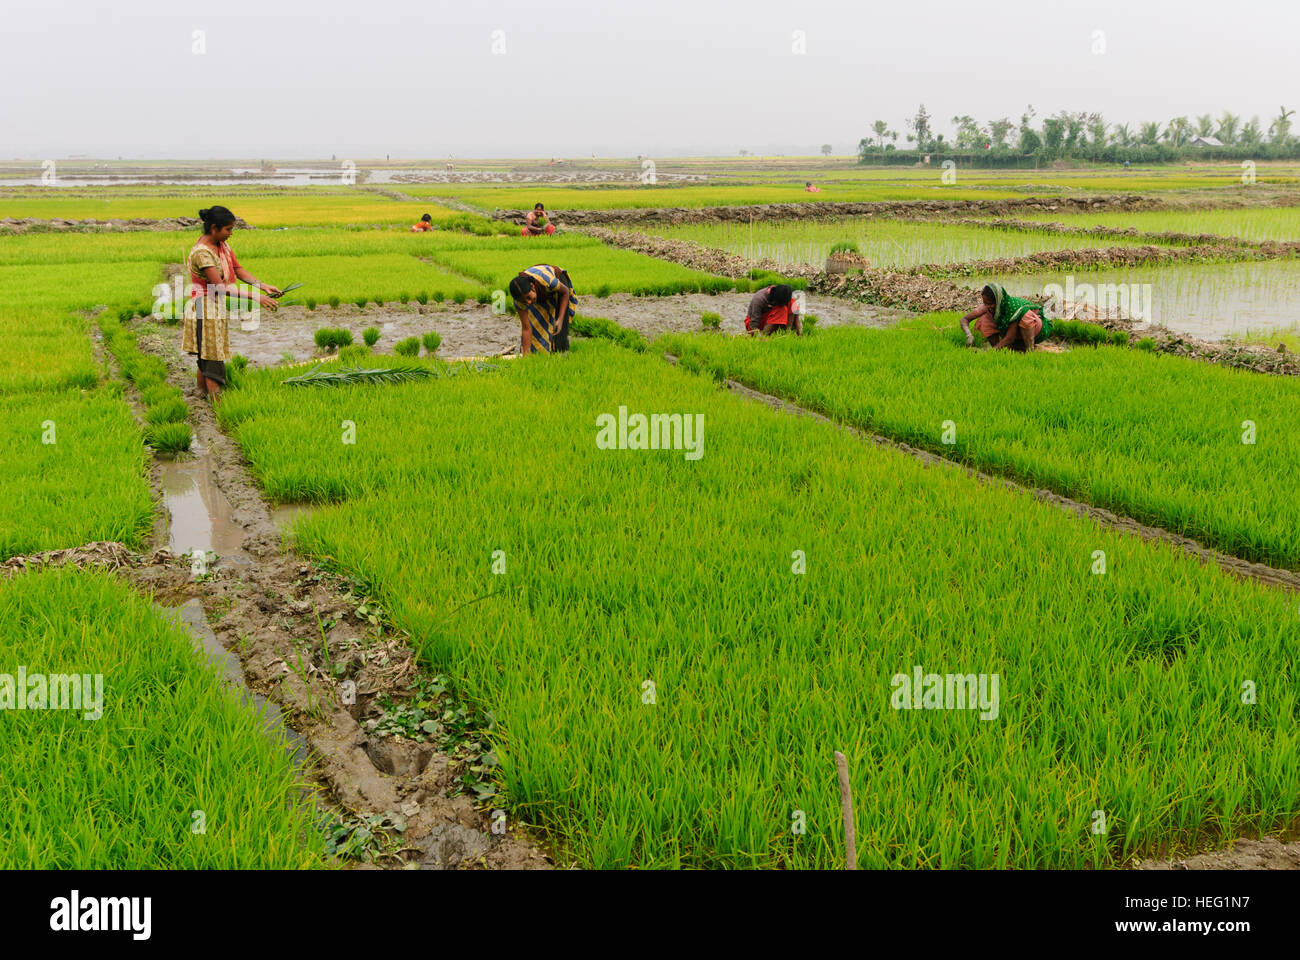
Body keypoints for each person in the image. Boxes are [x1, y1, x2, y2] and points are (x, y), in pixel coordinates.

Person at [183, 205, 279, 398]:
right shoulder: (202, 253)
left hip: (214, 306)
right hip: (204, 307)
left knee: (207, 351)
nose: (231, 233)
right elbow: (220, 286)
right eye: (228, 229)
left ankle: (201, 395)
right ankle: (217, 402)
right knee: (212, 356)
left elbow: (237, 269)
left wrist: (262, 285)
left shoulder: (222, 246)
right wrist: (256, 297)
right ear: (214, 228)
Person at [960, 283, 1053, 351]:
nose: (987, 306)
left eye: (990, 303)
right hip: (1018, 336)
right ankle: (1001, 349)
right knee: (985, 320)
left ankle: (1030, 349)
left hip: (1038, 331)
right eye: (985, 303)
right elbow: (964, 319)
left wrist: (989, 352)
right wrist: (969, 335)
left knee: (1025, 316)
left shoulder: (1012, 308)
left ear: (999, 300)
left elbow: (1010, 337)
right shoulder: (987, 307)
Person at [509, 265, 575, 354]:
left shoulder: (547, 280)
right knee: (536, 326)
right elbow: (526, 328)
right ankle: (537, 355)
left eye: (528, 297)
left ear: (532, 287)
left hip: (560, 288)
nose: (528, 302)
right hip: (540, 291)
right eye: (524, 301)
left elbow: (565, 292)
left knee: (559, 329)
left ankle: (561, 355)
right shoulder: (519, 300)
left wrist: (560, 319)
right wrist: (524, 355)